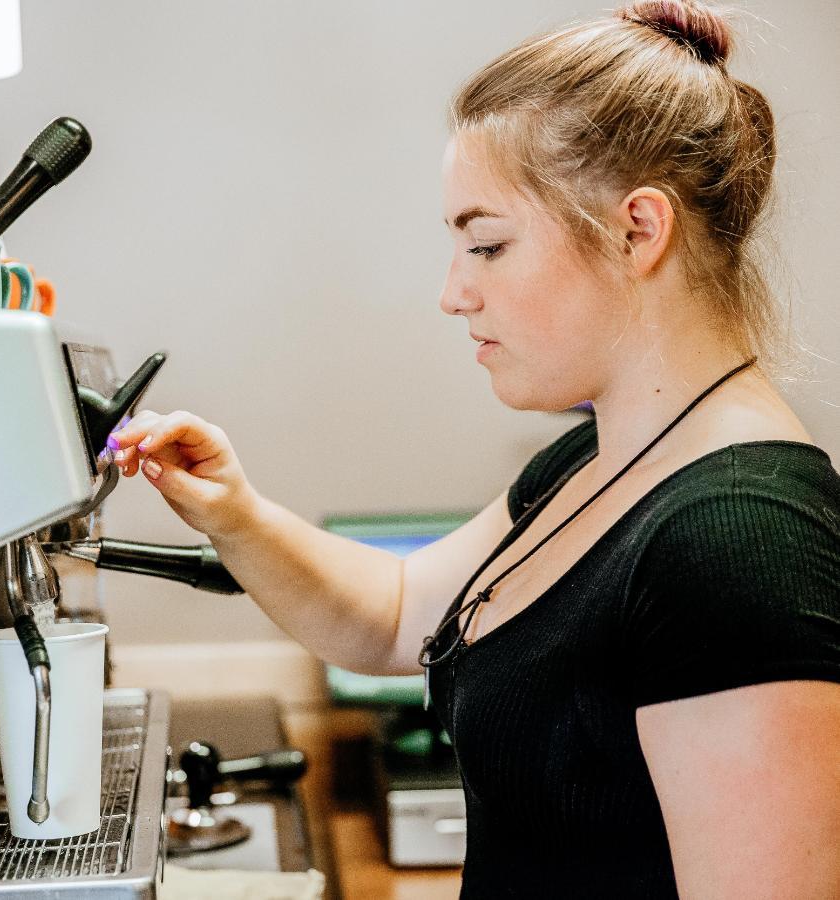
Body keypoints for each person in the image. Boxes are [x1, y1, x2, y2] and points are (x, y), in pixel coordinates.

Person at [109, 1, 840, 896]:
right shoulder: (590, 463)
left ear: (638, 230)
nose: (454, 293)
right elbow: (396, 613)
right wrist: (237, 514)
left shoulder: (737, 542)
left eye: (487, 244)